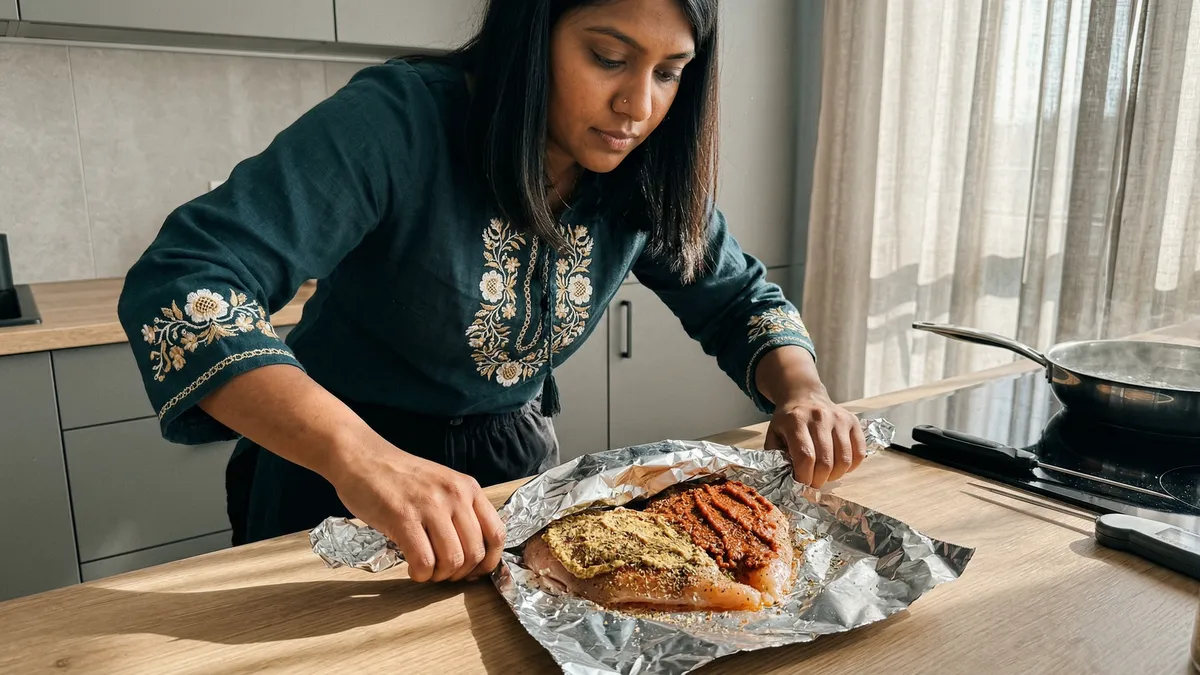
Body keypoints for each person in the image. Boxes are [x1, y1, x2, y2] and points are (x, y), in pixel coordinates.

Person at [117, 0, 868, 585]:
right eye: (608, 57)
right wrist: (362, 459)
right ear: (532, 32)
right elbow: (186, 280)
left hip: (513, 478)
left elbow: (738, 299)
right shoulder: (399, 122)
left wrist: (801, 391)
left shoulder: (644, 168)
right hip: (332, 477)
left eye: (669, 72)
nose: (638, 106)